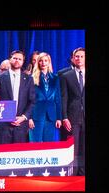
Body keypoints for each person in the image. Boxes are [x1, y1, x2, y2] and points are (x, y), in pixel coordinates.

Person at [0, 50, 35, 144]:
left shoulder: (28, 79)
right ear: (10, 60)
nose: (17, 60)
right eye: (15, 58)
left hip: (21, 125)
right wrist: (7, 117)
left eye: (20, 59)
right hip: (4, 125)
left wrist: (23, 117)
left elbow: (32, 101)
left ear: (23, 62)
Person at [59, 47, 86, 175]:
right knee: (72, 148)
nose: (79, 59)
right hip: (72, 117)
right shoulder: (66, 76)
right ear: (73, 58)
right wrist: (64, 117)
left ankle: (83, 173)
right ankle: (72, 174)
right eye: (77, 56)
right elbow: (64, 98)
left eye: (81, 56)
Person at [28, 52, 62, 143]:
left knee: (49, 144)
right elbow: (29, 100)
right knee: (35, 143)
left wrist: (59, 118)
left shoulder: (55, 78)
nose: (43, 63)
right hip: (36, 115)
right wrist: (29, 118)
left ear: (49, 62)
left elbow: (58, 99)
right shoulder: (32, 78)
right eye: (41, 61)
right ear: (37, 63)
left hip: (51, 115)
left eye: (45, 61)